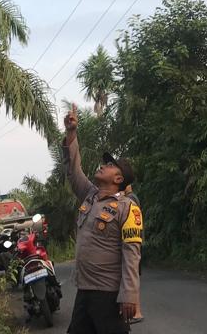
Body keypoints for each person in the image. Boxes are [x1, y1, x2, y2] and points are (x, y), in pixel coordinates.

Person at [62, 105, 143, 333]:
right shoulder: (90, 194)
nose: (102, 165)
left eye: (109, 165)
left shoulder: (128, 209)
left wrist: (129, 294)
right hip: (84, 291)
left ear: (118, 178)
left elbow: (131, 254)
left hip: (108, 295)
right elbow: (73, 171)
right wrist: (71, 133)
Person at [122, 184, 145, 325]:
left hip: (133, 242)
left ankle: (136, 311)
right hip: (134, 242)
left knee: (132, 275)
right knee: (133, 274)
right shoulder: (130, 198)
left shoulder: (131, 199)